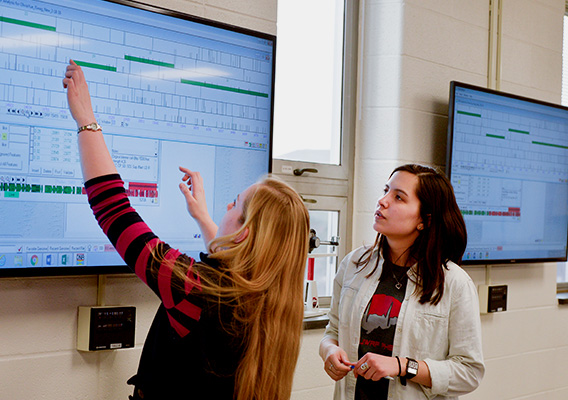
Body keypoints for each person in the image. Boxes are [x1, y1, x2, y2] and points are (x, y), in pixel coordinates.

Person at [63, 60, 310, 400]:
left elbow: (113, 209)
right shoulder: (272, 305)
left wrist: (86, 120)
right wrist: (205, 220)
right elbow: (230, 276)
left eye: (235, 204)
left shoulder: (195, 290)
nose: (226, 207)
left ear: (244, 235)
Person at [319, 164, 484, 399]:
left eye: (398, 197)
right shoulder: (354, 264)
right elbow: (332, 330)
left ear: (424, 220)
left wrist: (403, 366)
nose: (383, 201)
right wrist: (329, 350)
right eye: (386, 190)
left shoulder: (454, 284)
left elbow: (469, 372)